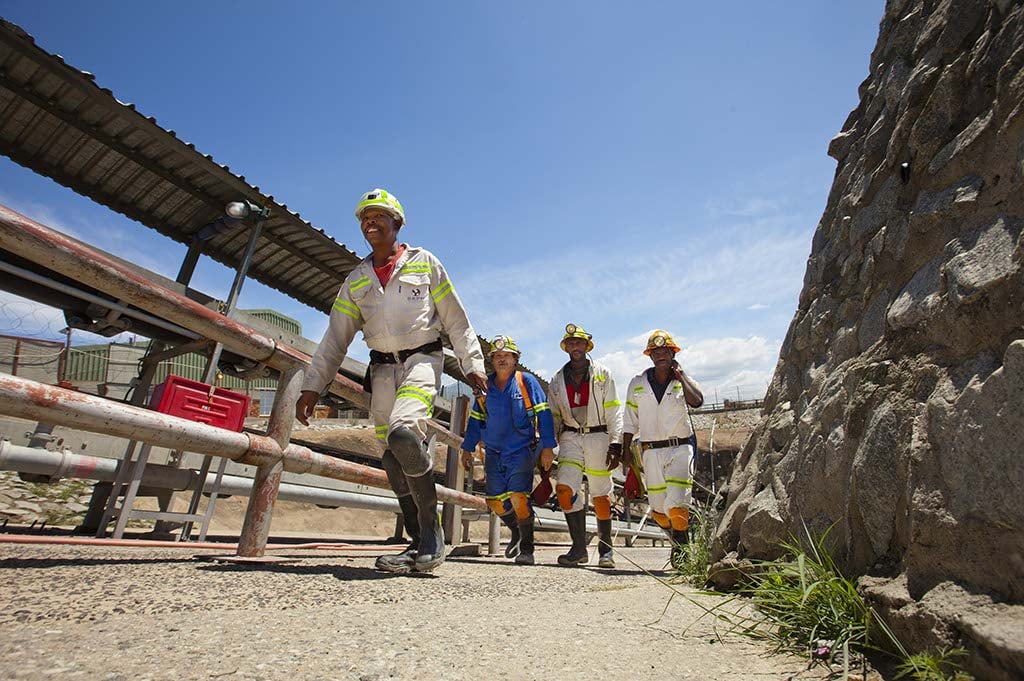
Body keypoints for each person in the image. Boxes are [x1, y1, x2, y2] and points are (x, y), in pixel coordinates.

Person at [296, 188, 487, 574]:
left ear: (397, 223)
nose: (371, 222)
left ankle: (432, 534)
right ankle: (417, 541)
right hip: (381, 371)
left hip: (421, 360)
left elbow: (456, 319)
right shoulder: (356, 280)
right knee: (391, 455)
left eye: (379, 216)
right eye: (365, 218)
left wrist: (472, 363)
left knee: (403, 433)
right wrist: (313, 385)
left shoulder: (424, 263)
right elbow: (335, 338)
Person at [460, 335, 556, 565]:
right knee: (494, 502)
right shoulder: (485, 386)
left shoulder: (526, 381)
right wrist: (467, 448)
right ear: (492, 360)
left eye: (507, 356)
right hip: (493, 452)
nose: (502, 359)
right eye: (497, 356)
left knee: (518, 497)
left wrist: (548, 446)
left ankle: (527, 549)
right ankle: (517, 531)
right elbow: (476, 419)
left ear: (515, 359)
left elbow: (544, 414)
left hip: (521, 450)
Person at [620, 330, 703, 568]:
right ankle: (679, 538)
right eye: (655, 352)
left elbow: (697, 401)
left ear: (672, 353)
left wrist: (681, 375)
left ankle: (681, 551)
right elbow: (629, 420)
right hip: (650, 451)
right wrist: (625, 451)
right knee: (658, 511)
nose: (660, 355)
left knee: (677, 505)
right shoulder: (637, 384)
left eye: (665, 351)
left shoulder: (682, 382)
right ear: (650, 355)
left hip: (680, 448)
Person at [546, 323, 622, 568]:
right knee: (564, 490)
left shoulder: (602, 373)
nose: (575, 346)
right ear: (566, 347)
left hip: (598, 435)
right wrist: (548, 445)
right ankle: (578, 548)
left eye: (579, 342)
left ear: (587, 346)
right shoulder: (557, 379)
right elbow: (553, 414)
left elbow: (613, 409)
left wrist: (616, 442)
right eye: (571, 343)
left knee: (601, 495)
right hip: (570, 436)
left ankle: (605, 550)